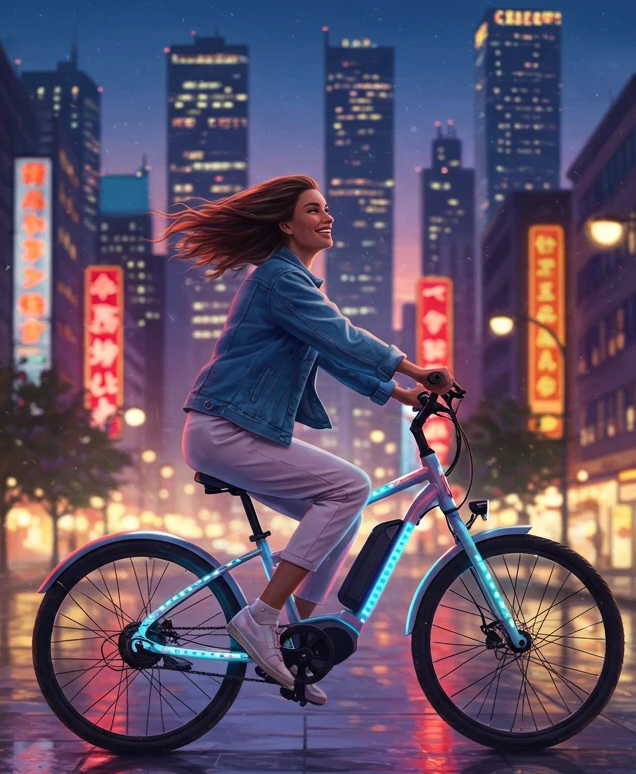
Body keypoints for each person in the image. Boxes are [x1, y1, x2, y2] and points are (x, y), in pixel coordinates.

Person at [158, 175, 453, 705]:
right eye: (313, 209)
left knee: (344, 508)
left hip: (231, 430)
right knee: (350, 487)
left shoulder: (293, 284)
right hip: (222, 429)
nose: (326, 217)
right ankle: (261, 618)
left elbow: (332, 356)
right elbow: (342, 335)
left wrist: (405, 394)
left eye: (327, 208)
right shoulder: (279, 280)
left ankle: (294, 640)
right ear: (286, 224)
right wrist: (416, 368)